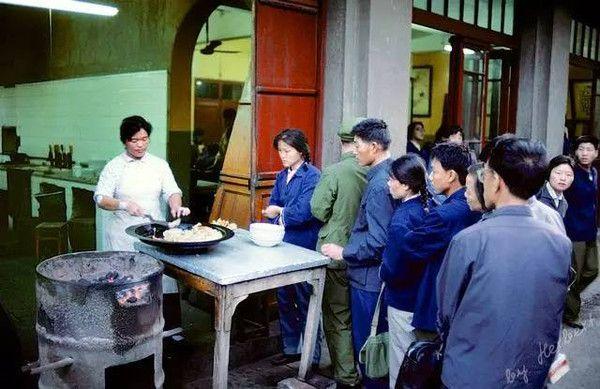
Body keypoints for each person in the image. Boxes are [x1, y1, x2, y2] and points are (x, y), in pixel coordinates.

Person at [437, 137, 571, 388]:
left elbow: (446, 312)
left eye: (486, 174)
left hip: (472, 373)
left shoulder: (469, 241)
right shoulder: (560, 243)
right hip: (531, 372)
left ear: (496, 181)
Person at [94, 115, 190, 330]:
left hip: (153, 233)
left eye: (144, 139)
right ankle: (131, 333)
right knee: (131, 284)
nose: (140, 145)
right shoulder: (114, 166)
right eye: (134, 140)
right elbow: (100, 198)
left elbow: (172, 191)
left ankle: (170, 330)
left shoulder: (158, 164)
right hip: (124, 236)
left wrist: (175, 205)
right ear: (124, 141)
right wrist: (125, 205)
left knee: (162, 279)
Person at [321, 118, 394, 388]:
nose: (354, 150)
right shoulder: (385, 174)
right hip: (372, 277)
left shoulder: (378, 185)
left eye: (358, 145)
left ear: (374, 146)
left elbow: (378, 241)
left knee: (369, 349)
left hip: (368, 279)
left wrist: (344, 251)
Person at [396, 142, 480, 339]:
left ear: (451, 175)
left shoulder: (444, 214)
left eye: (434, 171)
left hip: (436, 305)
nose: (431, 177)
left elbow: (409, 244)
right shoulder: (476, 207)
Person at [310, 118, 367, 388]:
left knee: (337, 317)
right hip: (365, 253)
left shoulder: (334, 172)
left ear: (341, 142)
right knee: (362, 316)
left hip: (336, 252)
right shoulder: (378, 171)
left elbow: (318, 210)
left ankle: (345, 376)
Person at [263, 128, 323, 366]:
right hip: (283, 244)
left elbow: (303, 213)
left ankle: (312, 356)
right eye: (280, 151)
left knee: (306, 299)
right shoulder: (281, 175)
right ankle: (290, 349)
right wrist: (277, 212)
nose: (283, 155)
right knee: (284, 297)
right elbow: (273, 204)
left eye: (287, 151)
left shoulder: (313, 176)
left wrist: (279, 213)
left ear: (301, 150)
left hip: (303, 246)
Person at [378, 154, 429, 388]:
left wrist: (383, 272)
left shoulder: (402, 218)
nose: (388, 183)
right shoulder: (426, 207)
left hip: (402, 299)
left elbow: (394, 267)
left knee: (400, 360)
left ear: (406, 184)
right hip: (421, 297)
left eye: (392, 179)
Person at [563, 135, 599, 329]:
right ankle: (570, 313)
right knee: (575, 274)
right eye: (581, 149)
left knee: (593, 270)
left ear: (596, 153)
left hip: (590, 230)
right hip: (574, 230)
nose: (585, 153)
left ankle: (568, 293)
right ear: (575, 152)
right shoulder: (572, 173)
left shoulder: (593, 172)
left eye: (589, 149)